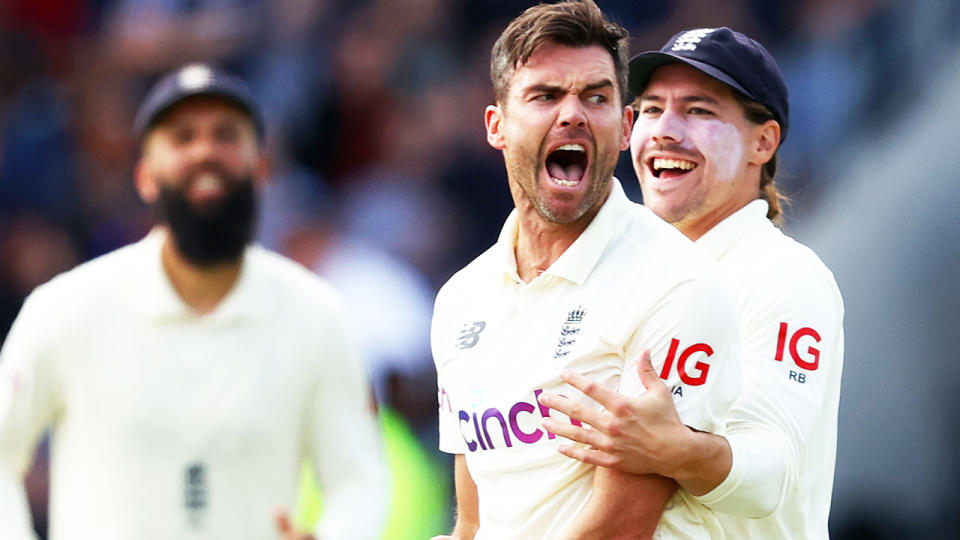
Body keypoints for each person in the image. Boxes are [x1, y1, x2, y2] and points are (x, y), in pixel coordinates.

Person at [0, 63, 388, 540]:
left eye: (226, 135)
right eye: (182, 137)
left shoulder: (316, 314)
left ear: (262, 167)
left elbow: (359, 478)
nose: (205, 152)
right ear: (144, 175)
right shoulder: (66, 308)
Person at [430, 3, 743, 539]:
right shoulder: (461, 299)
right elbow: (476, 522)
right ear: (496, 126)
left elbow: (618, 527)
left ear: (624, 127)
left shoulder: (677, 284)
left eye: (595, 97)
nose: (572, 114)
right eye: (546, 96)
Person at [537, 27, 844, 539]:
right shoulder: (609, 272)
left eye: (699, 111)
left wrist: (677, 450)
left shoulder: (784, 274)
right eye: (652, 109)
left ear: (762, 142)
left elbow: (772, 474)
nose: (664, 130)